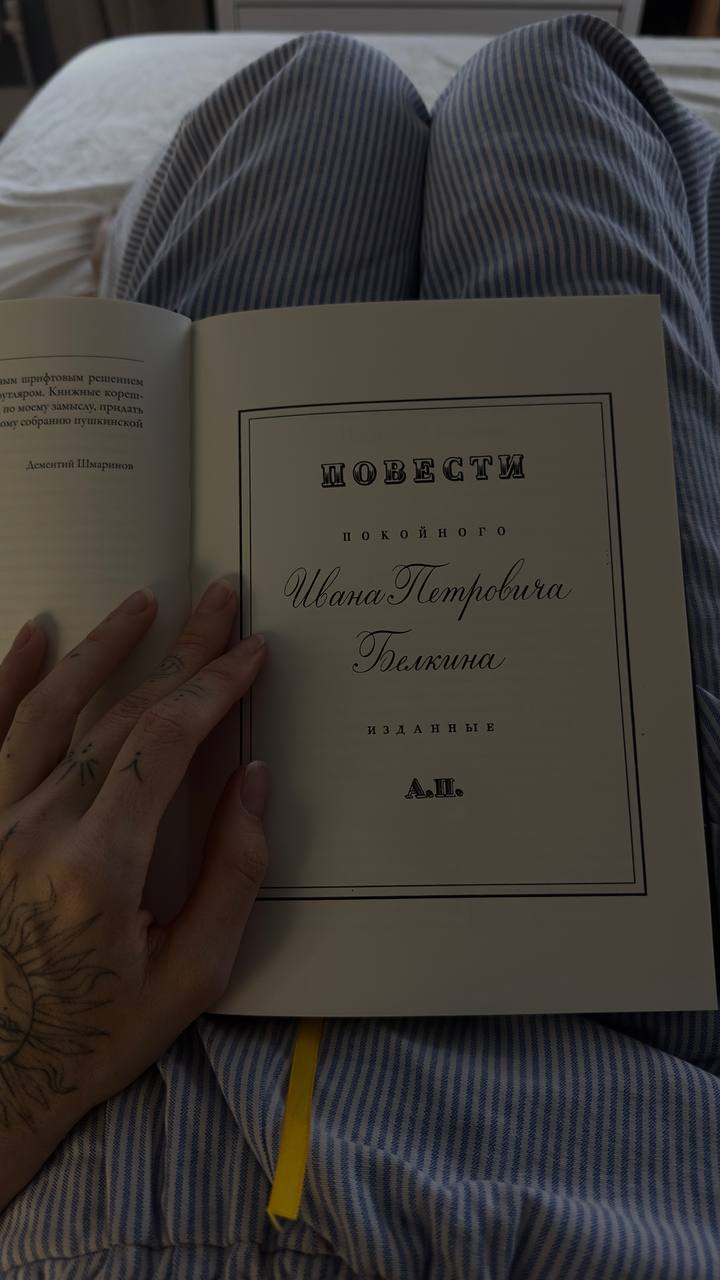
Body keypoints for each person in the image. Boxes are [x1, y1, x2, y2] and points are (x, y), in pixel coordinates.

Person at [2, 14, 720, 1276]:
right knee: (558, 78)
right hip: (649, 1021)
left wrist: (24, 1035)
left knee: (313, 93)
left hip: (113, 1019)